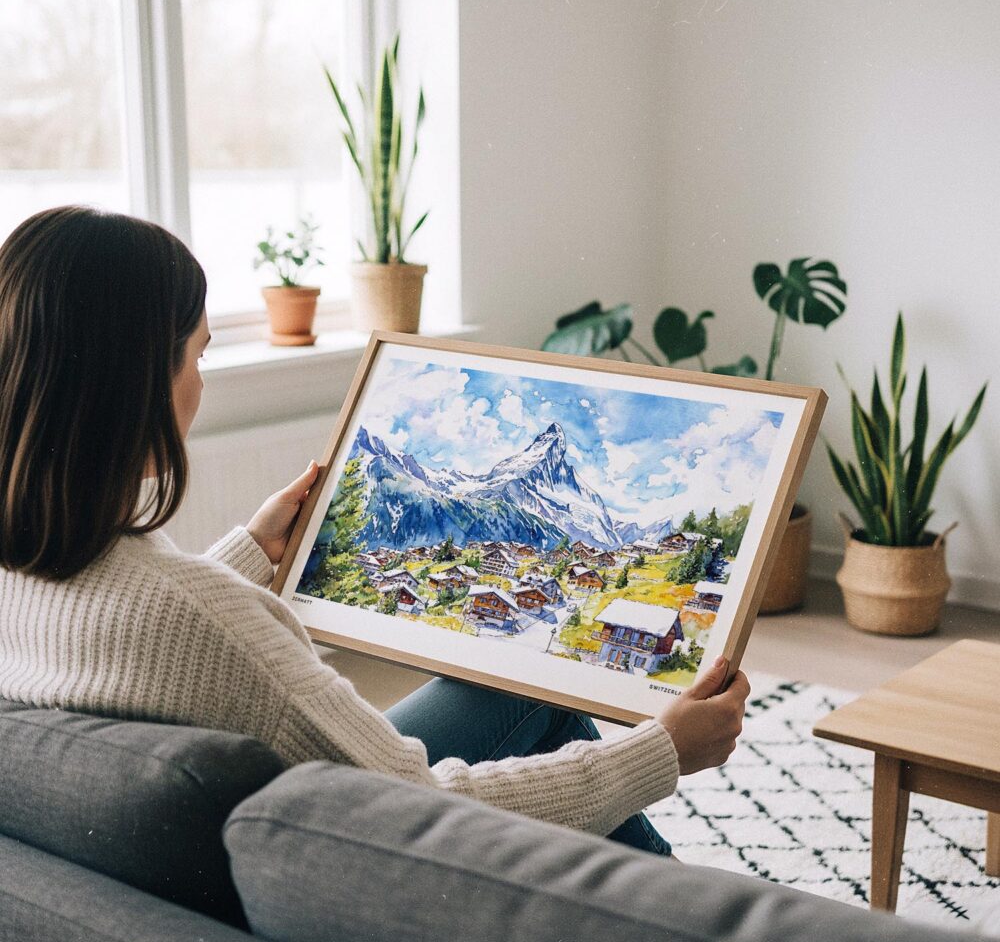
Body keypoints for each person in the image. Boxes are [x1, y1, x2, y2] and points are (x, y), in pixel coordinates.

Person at [0, 206, 749, 856]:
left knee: (507, 692)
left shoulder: (28, 571)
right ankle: (695, 927)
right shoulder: (207, 621)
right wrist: (660, 751)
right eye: (198, 355)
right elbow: (418, 807)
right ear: (135, 384)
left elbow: (139, 627)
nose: (203, 381)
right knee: (548, 714)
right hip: (363, 849)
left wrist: (250, 554)